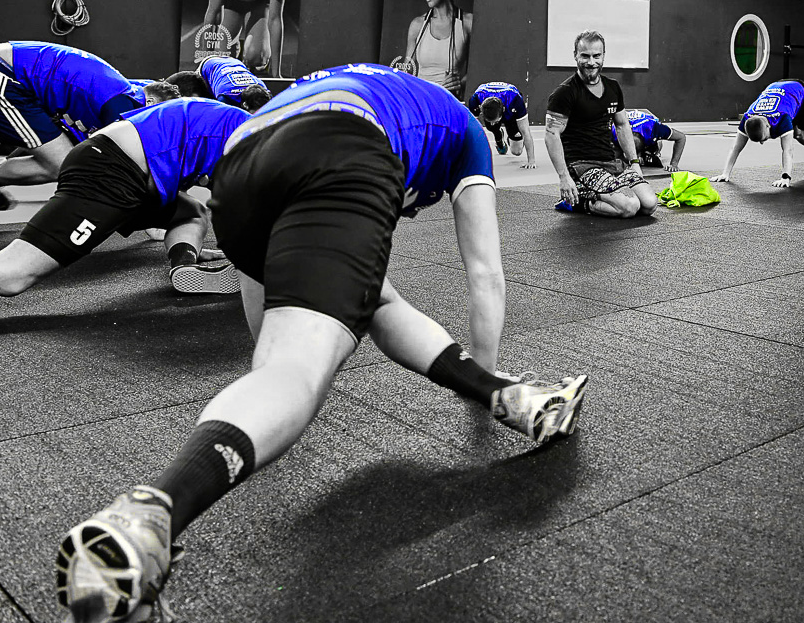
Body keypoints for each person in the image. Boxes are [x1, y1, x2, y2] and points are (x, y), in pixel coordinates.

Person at [55, 63, 588, 622]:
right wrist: (297, 378)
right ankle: (152, 515)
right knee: (298, 373)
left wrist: (275, 374)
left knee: (370, 301)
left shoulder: (378, 87)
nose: (412, 210)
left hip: (240, 166)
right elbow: (484, 273)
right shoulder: (466, 134)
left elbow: (269, 322)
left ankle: (498, 392)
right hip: (342, 150)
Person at [0, 97, 249, 298]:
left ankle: (185, 266)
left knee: (189, 212)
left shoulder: (244, 125)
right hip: (112, 172)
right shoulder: (257, 139)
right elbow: (242, 212)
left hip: (123, 165)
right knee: (10, 274)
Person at [0, 41, 174, 209]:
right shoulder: (125, 105)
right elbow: (131, 169)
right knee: (67, 165)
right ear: (151, 100)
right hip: (3, 78)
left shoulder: (133, 91)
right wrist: (156, 219)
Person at [546, 31, 658, 217]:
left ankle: (605, 195)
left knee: (649, 204)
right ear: (575, 55)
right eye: (585, 56)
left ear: (603, 56)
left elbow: (622, 125)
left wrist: (634, 163)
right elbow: (551, 135)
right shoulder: (564, 93)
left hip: (611, 163)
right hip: (582, 165)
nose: (591, 62)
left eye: (596, 56)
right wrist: (564, 177)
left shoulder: (612, 87)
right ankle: (578, 202)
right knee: (629, 207)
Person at [712, 79, 804, 188]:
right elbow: (735, 148)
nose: (762, 143)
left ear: (768, 125)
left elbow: (787, 150)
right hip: (780, 92)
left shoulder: (782, 118)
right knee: (797, 135)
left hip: (800, 93)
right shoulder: (747, 118)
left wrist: (785, 177)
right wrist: (725, 173)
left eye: (764, 138)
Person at [394, 0, 472, 98]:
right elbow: (406, 74)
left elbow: (479, 72)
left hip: (449, 104)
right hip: (421, 102)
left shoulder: (467, 23)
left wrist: (460, 83)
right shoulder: (417, 25)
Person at [164, 54, 271, 112]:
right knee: (199, 103)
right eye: (254, 113)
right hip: (208, 65)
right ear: (245, 105)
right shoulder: (225, 97)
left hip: (234, 63)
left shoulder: (263, 89)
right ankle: (161, 86)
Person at [467, 81, 535, 168]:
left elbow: (526, 132)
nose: (492, 123)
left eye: (495, 121)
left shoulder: (516, 101)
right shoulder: (475, 100)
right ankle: (498, 135)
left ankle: (510, 137)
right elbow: (471, 132)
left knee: (517, 151)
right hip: (493, 107)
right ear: (481, 108)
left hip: (511, 113)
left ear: (503, 110)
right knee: (491, 127)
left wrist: (531, 161)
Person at [614, 108, 686, 171]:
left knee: (653, 153)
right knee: (616, 159)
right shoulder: (614, 130)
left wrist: (674, 164)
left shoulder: (654, 128)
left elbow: (681, 137)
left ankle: (649, 152)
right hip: (624, 133)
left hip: (648, 129)